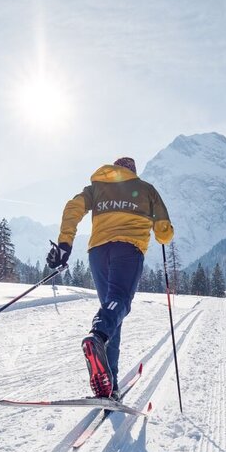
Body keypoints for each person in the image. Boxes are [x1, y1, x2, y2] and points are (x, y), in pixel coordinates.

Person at [47, 157, 174, 399]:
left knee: (111, 310)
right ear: (133, 172)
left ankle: (109, 382)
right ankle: (97, 335)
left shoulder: (96, 187)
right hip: (128, 249)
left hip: (97, 253)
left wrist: (65, 243)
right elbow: (164, 232)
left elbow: (73, 207)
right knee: (119, 304)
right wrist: (165, 233)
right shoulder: (146, 189)